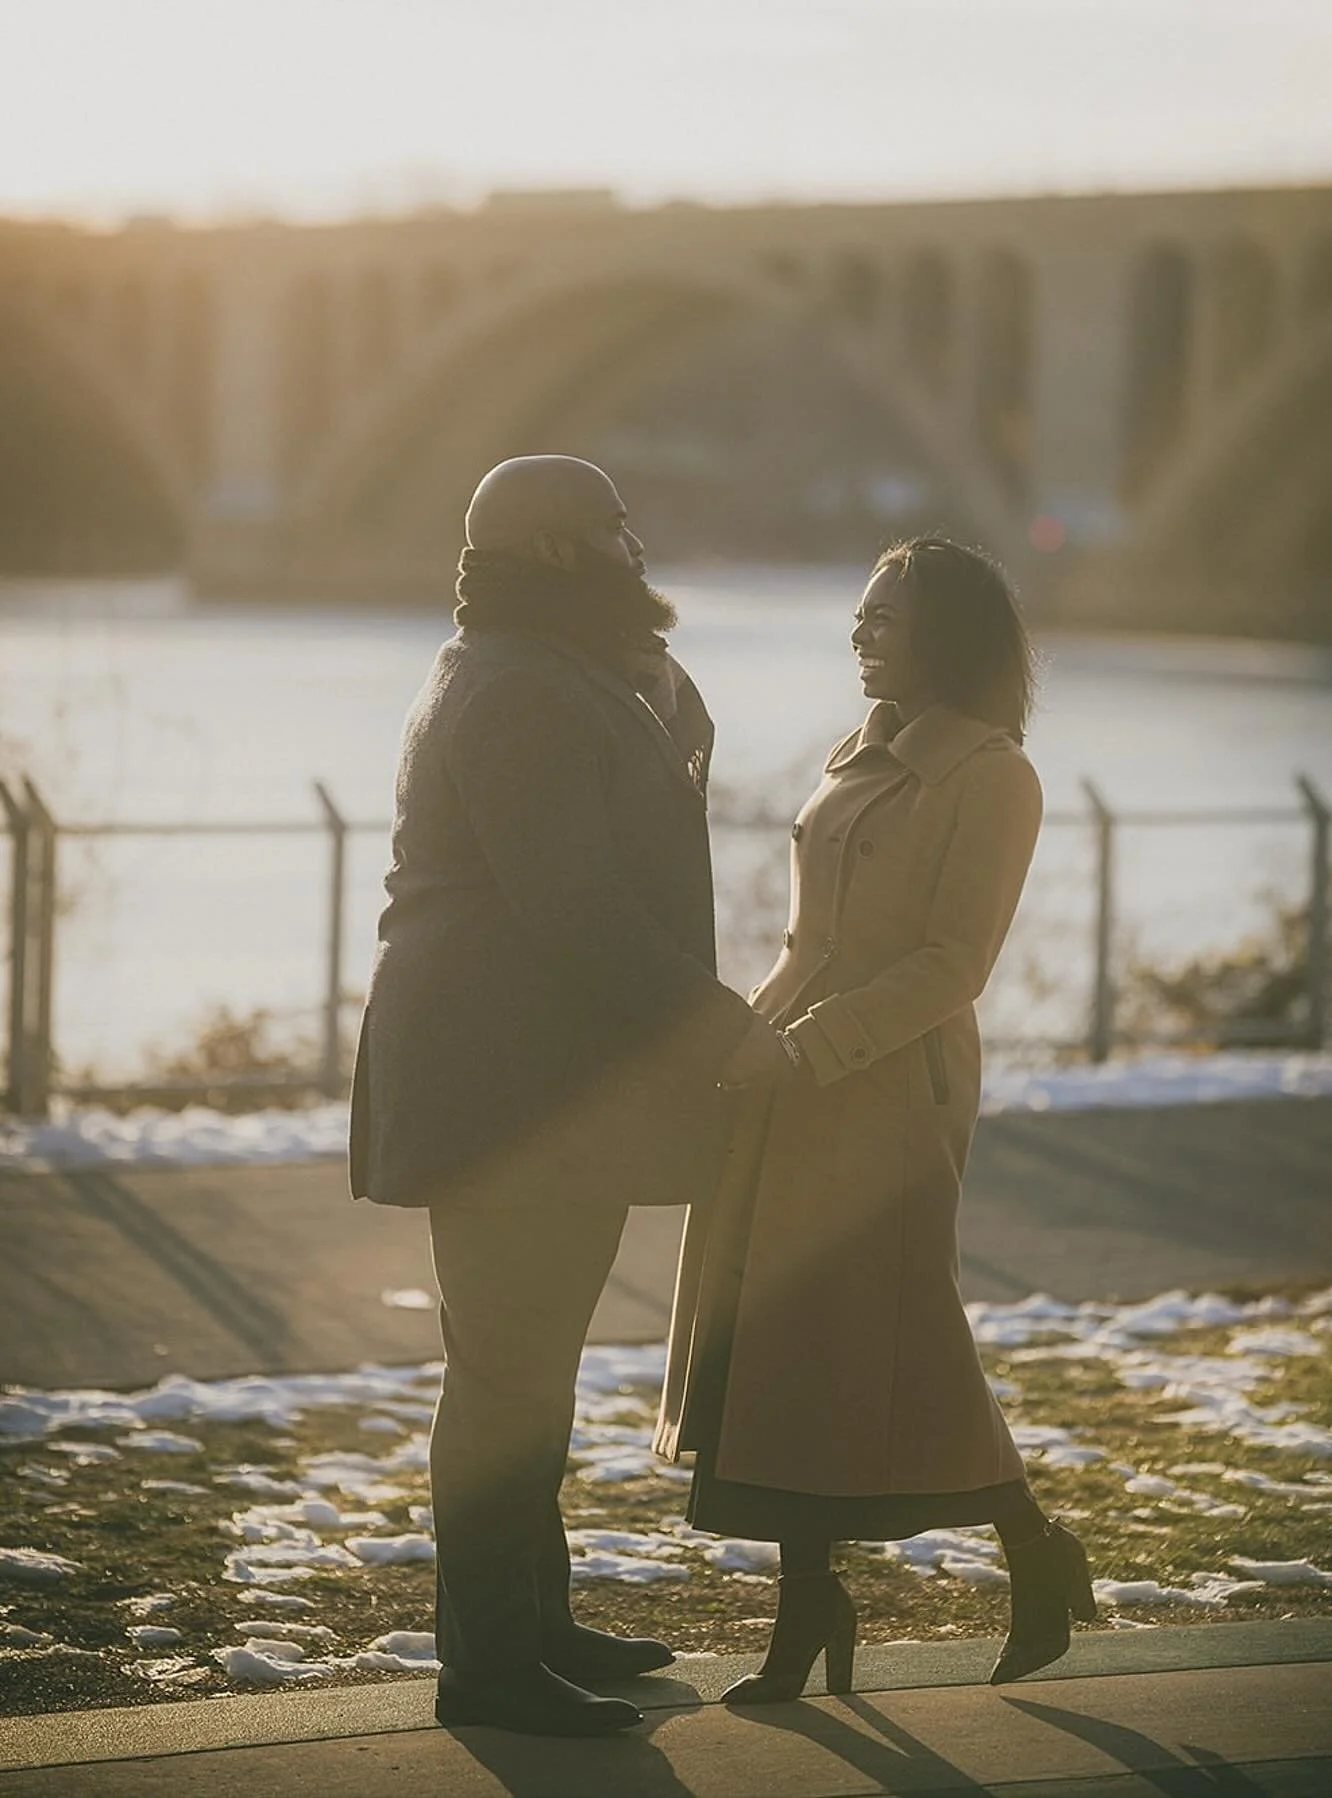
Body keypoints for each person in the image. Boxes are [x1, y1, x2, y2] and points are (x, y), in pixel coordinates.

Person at [349, 455, 789, 1736]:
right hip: (503, 1086)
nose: (634, 547)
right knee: (505, 1379)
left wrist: (660, 695)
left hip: (532, 1080)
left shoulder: (544, 666)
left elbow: (659, 740)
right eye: (610, 531)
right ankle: (487, 1664)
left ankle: (533, 1620)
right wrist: (724, 1026)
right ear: (551, 553)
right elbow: (577, 911)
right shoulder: (524, 690)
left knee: (529, 1367)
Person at [655, 537, 1095, 1702]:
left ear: (946, 631)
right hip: (795, 1082)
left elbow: (954, 965)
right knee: (790, 1341)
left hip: (892, 1090)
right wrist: (740, 1043)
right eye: (858, 613)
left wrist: (811, 1049)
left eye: (885, 616)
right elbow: (813, 947)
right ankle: (808, 1611)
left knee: (906, 1336)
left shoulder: (991, 774)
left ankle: (1035, 1550)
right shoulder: (859, 756)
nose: (860, 633)